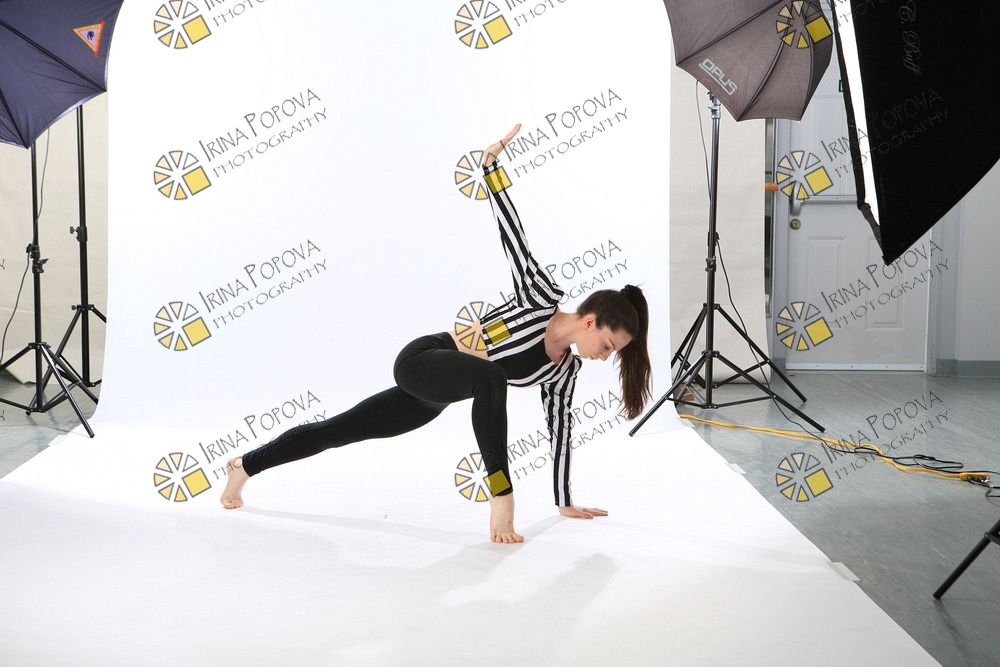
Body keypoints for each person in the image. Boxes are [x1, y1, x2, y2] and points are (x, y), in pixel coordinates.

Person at [221, 124, 652, 544]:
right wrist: (491, 167)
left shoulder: (562, 372)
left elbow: (561, 432)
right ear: (590, 322)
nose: (604, 356)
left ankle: (244, 466)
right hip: (424, 359)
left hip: (432, 398)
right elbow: (514, 238)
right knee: (493, 376)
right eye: (608, 346)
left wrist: (564, 500)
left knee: (335, 431)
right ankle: (501, 493)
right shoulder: (539, 297)